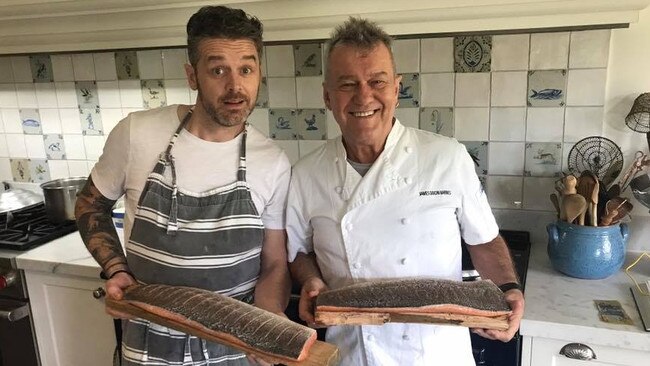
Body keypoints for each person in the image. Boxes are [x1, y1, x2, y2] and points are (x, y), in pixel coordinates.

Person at [286, 17, 524, 366]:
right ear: (327, 96)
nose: (363, 96)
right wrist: (309, 280)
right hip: (354, 353)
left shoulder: (446, 157)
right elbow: (297, 251)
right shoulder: (305, 174)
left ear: (397, 89)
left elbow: (484, 241)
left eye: (377, 81)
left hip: (438, 354)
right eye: (347, 84)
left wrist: (508, 290)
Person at [75, 6, 291, 366]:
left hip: (235, 350)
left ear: (259, 74)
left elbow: (274, 263)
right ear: (192, 75)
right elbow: (89, 205)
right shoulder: (137, 134)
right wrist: (117, 269)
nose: (235, 86)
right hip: (147, 347)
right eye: (217, 70)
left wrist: (268, 321)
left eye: (246, 69)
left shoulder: (273, 162)